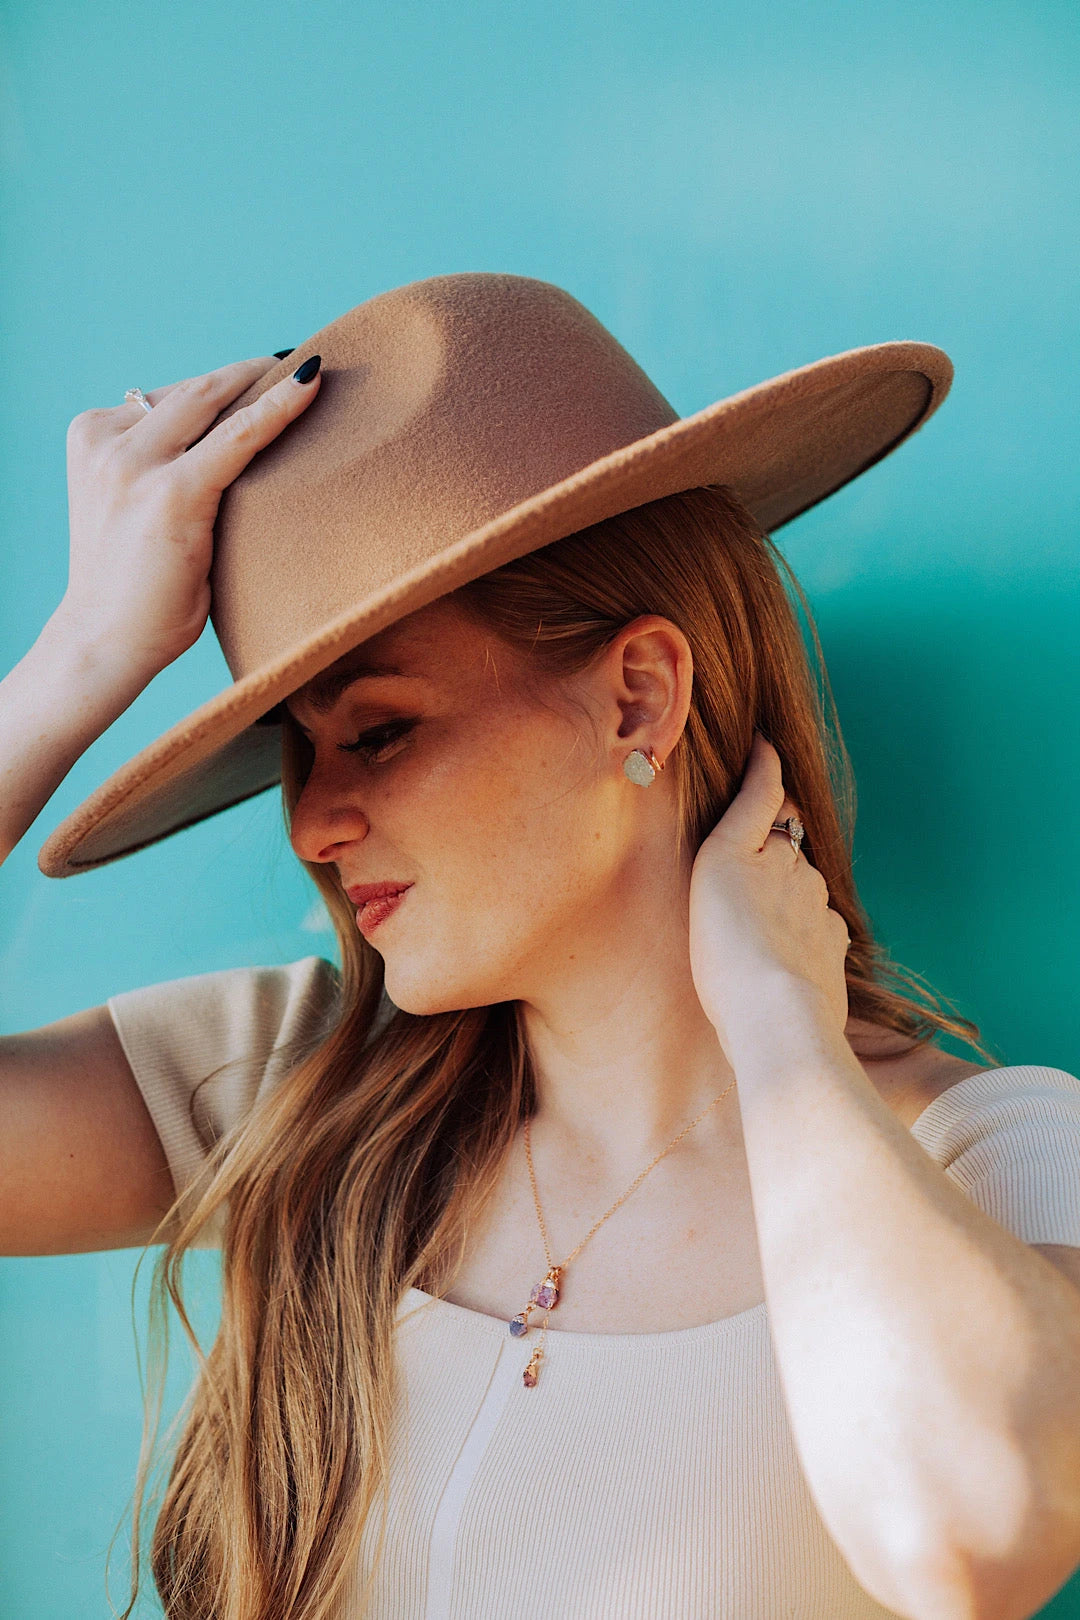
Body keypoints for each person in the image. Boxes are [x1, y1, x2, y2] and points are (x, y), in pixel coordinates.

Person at [2, 272, 1080, 1620]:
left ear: (638, 699)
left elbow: (975, 1541)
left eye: (380, 731)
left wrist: (786, 1043)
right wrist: (72, 663)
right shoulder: (290, 1086)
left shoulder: (991, 1159)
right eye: (303, 753)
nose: (314, 826)